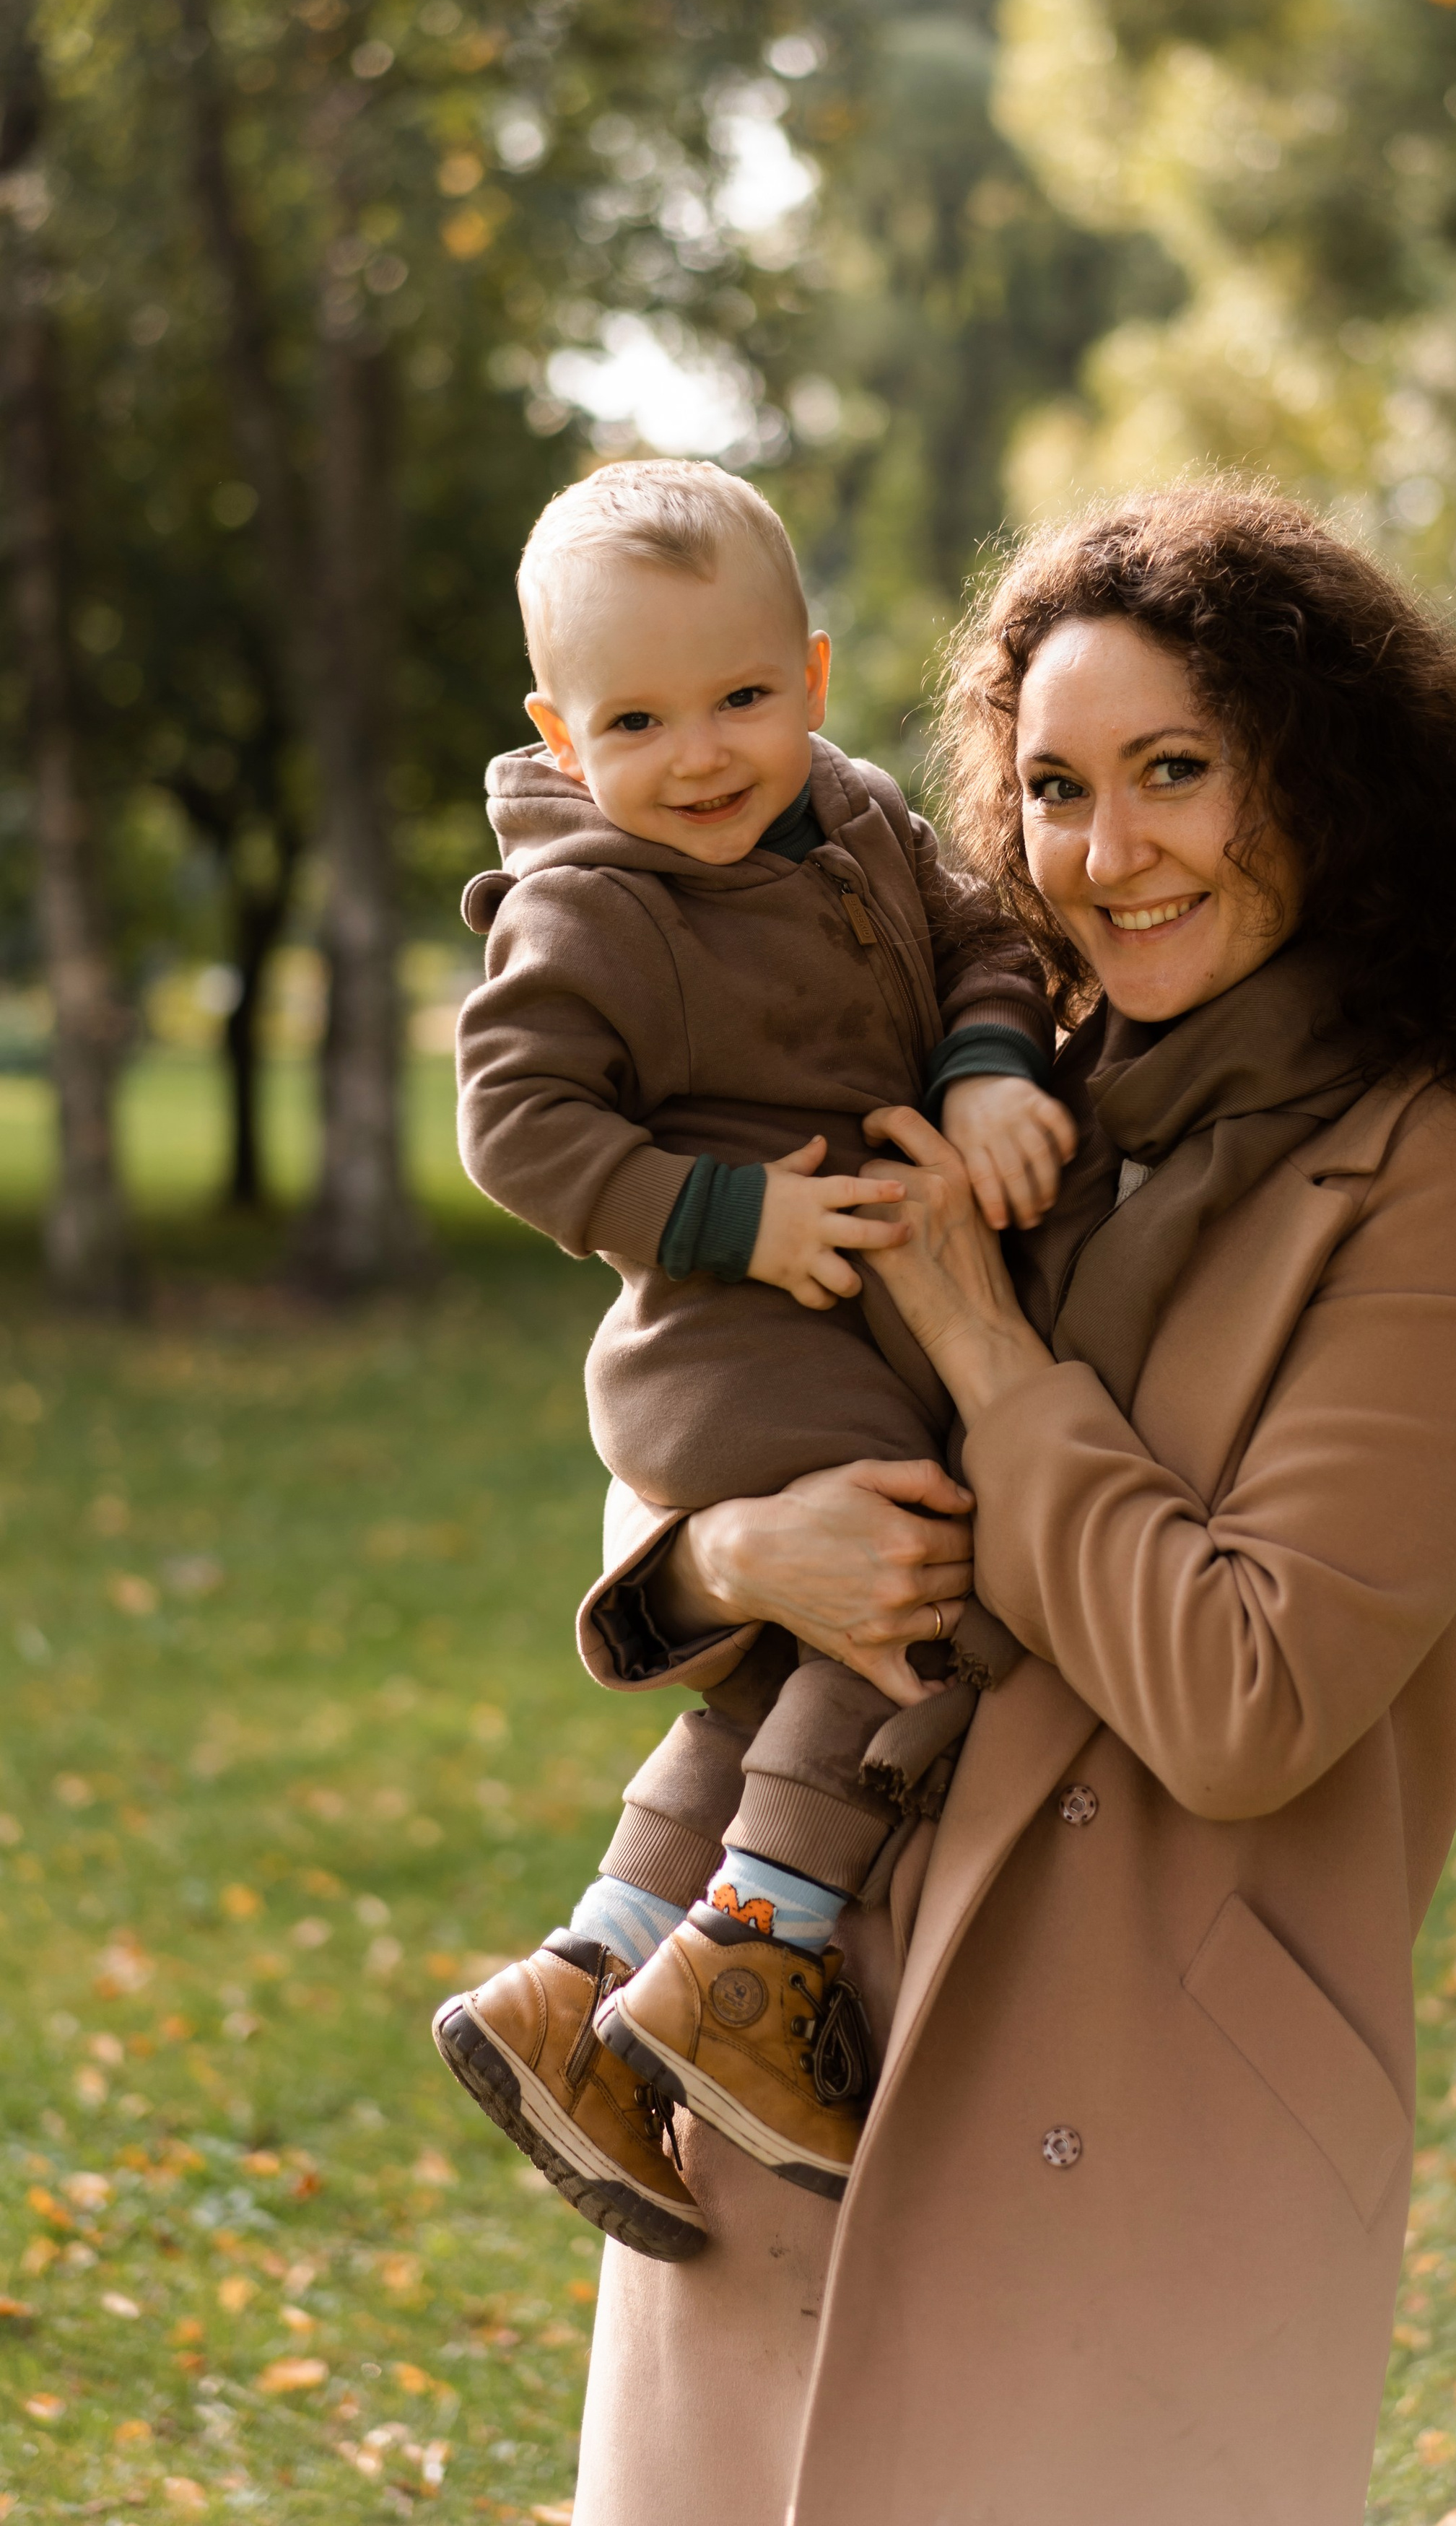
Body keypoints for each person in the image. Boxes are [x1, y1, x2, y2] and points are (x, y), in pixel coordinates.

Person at [566, 480, 1456, 2526]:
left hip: (1145, 2101)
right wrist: (724, 1554)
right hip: (784, 2019)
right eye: (1055, 787)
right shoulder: (1011, 1067)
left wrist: (988, 1352)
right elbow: (719, 1364)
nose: (1108, 853)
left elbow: (1247, 1690)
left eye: (1177, 774)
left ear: (1325, 786)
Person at [431, 461, 1071, 2251]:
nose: (701, 755)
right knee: (921, 1569)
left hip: (836, 1309)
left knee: (770, 1682)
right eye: (635, 719)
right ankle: (757, 1957)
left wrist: (988, 1067)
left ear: (807, 669)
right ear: (561, 731)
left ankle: (589, 1984)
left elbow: (980, 940)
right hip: (737, 1333)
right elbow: (515, 1127)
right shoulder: (598, 905)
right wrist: (730, 1216)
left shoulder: (854, 813)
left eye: (739, 700)